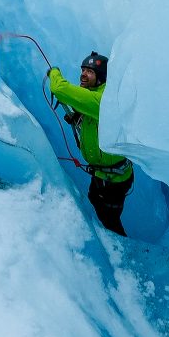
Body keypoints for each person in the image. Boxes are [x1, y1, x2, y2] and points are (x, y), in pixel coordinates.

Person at [48, 51, 133, 236]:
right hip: (103, 174)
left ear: (101, 78)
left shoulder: (102, 100)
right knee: (95, 199)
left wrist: (53, 72)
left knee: (109, 218)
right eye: (83, 69)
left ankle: (124, 250)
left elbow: (59, 88)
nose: (83, 74)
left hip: (113, 180)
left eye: (90, 71)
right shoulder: (94, 95)